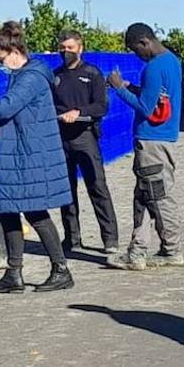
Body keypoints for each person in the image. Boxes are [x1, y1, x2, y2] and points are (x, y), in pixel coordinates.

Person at [0, 21, 74, 294]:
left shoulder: (31, 77)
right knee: (9, 211)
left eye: (0, 58)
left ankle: (61, 270)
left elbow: (7, 106)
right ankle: (14, 273)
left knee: (36, 213)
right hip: (20, 150)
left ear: (13, 52)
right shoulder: (22, 76)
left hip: (32, 153)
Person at [106, 23, 184, 271]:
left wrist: (119, 88)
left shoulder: (152, 68)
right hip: (165, 138)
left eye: (135, 50)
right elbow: (158, 98)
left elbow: (145, 109)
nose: (136, 55)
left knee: (158, 198)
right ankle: (137, 252)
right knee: (144, 197)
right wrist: (133, 88)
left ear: (144, 42)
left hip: (152, 141)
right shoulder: (172, 61)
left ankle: (172, 251)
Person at [52, 29, 118, 255]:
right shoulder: (55, 76)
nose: (66, 52)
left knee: (97, 187)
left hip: (85, 137)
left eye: (70, 48)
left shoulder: (92, 74)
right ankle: (72, 239)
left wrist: (78, 112)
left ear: (80, 48)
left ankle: (110, 239)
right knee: (66, 190)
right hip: (61, 139)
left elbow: (101, 106)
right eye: (62, 48)